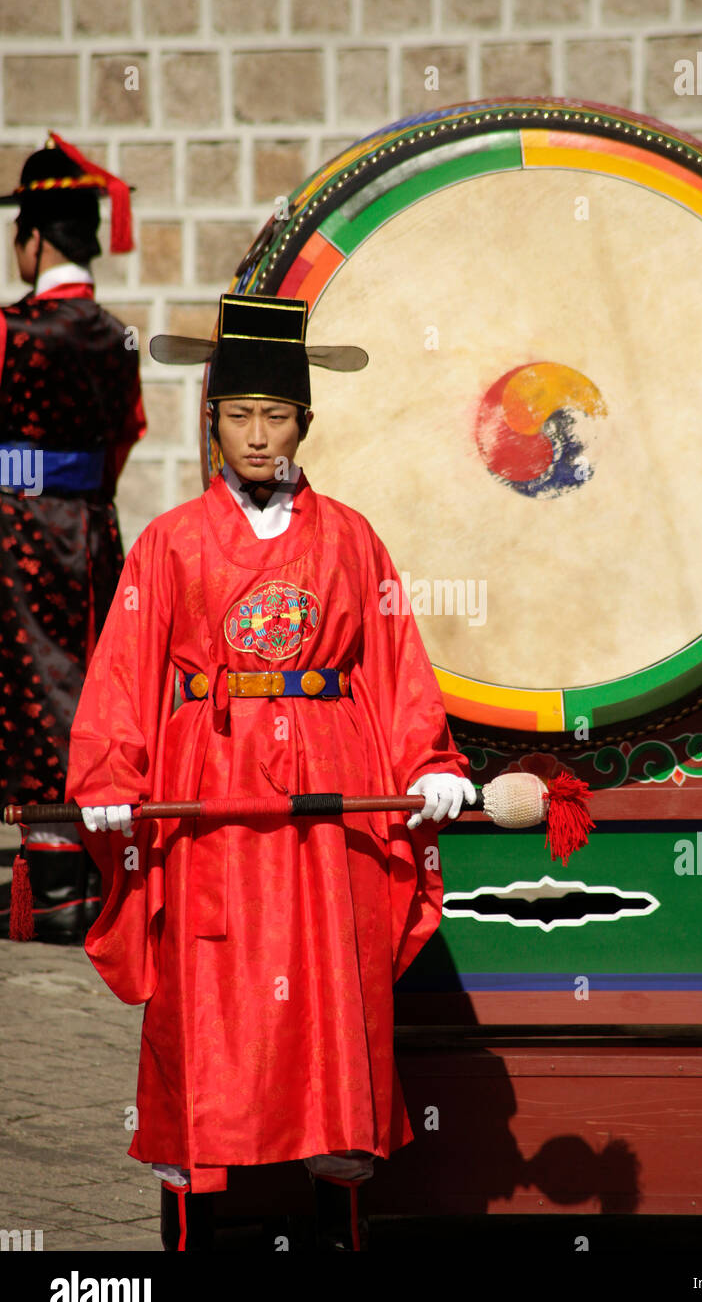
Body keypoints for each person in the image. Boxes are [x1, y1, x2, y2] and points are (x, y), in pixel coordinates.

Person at [65, 292, 474, 1250]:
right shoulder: (169, 542)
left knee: (330, 978)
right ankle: (200, 1206)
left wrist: (428, 759)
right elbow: (123, 670)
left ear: (305, 424)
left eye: (276, 416)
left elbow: (394, 660)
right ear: (212, 423)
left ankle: (335, 1198)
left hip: (330, 791)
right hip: (208, 790)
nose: (258, 435)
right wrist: (109, 780)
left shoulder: (351, 538)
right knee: (210, 983)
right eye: (239, 415)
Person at [0, 133, 145, 944]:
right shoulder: (117, 335)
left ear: (37, 237)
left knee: (31, 686)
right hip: (93, 526)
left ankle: (52, 878)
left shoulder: (11, 330)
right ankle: (92, 864)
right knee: (91, 677)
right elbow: (126, 435)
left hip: (16, 531)